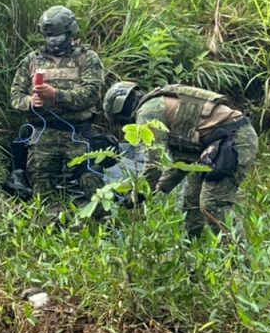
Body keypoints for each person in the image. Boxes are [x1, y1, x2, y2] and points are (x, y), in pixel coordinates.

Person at [102, 81, 258, 238]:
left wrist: (138, 195)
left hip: (235, 140)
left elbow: (154, 162)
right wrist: (159, 188)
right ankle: (194, 246)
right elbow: (182, 163)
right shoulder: (158, 103)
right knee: (192, 200)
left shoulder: (148, 111)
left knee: (213, 204)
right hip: (219, 143)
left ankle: (241, 258)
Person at [10, 5, 104, 204]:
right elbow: (15, 96)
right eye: (49, 37)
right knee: (41, 195)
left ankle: (98, 228)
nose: (54, 42)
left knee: (92, 188)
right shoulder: (32, 60)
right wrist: (30, 102)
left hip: (78, 134)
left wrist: (56, 95)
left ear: (70, 33)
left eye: (58, 37)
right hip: (42, 135)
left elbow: (91, 95)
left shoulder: (87, 58)